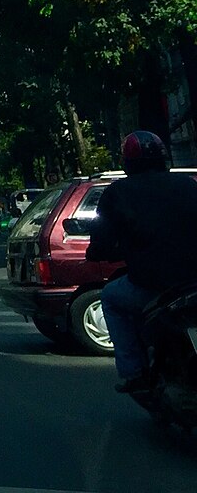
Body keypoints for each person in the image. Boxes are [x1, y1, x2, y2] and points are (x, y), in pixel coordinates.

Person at [85, 131, 197, 394]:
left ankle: (133, 373)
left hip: (153, 286)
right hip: (193, 283)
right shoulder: (188, 185)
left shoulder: (118, 192)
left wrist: (98, 252)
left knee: (111, 298)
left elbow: (101, 239)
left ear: (127, 163)